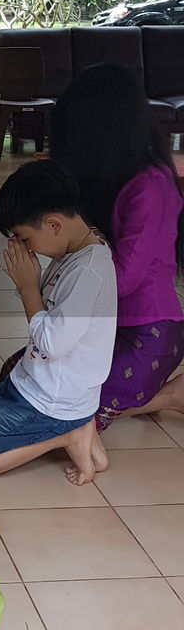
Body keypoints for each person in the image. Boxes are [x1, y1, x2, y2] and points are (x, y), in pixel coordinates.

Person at [0, 161, 117, 486]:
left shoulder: (89, 273)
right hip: (35, 382)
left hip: (52, 400)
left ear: (53, 224)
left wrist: (27, 287)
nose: (24, 246)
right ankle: (84, 433)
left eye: (24, 237)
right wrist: (28, 280)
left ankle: (68, 437)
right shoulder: (71, 251)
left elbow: (52, 343)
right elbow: (49, 310)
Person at [48, 63, 184, 431]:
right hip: (101, 329)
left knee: (64, 414)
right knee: (18, 379)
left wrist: (50, 274)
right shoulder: (110, 178)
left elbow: (120, 281)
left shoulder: (150, 187)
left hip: (147, 334)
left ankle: (169, 395)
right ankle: (156, 396)